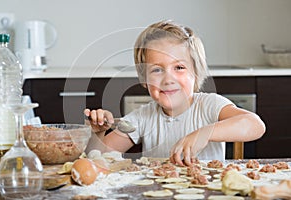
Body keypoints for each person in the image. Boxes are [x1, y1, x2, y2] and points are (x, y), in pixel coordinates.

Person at [84, 20, 265, 166]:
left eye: (179, 67)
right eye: (156, 70)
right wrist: (98, 133)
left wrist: (204, 133)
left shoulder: (209, 105)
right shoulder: (142, 117)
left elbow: (255, 125)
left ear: (196, 72)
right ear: (144, 79)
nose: (168, 79)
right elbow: (98, 157)